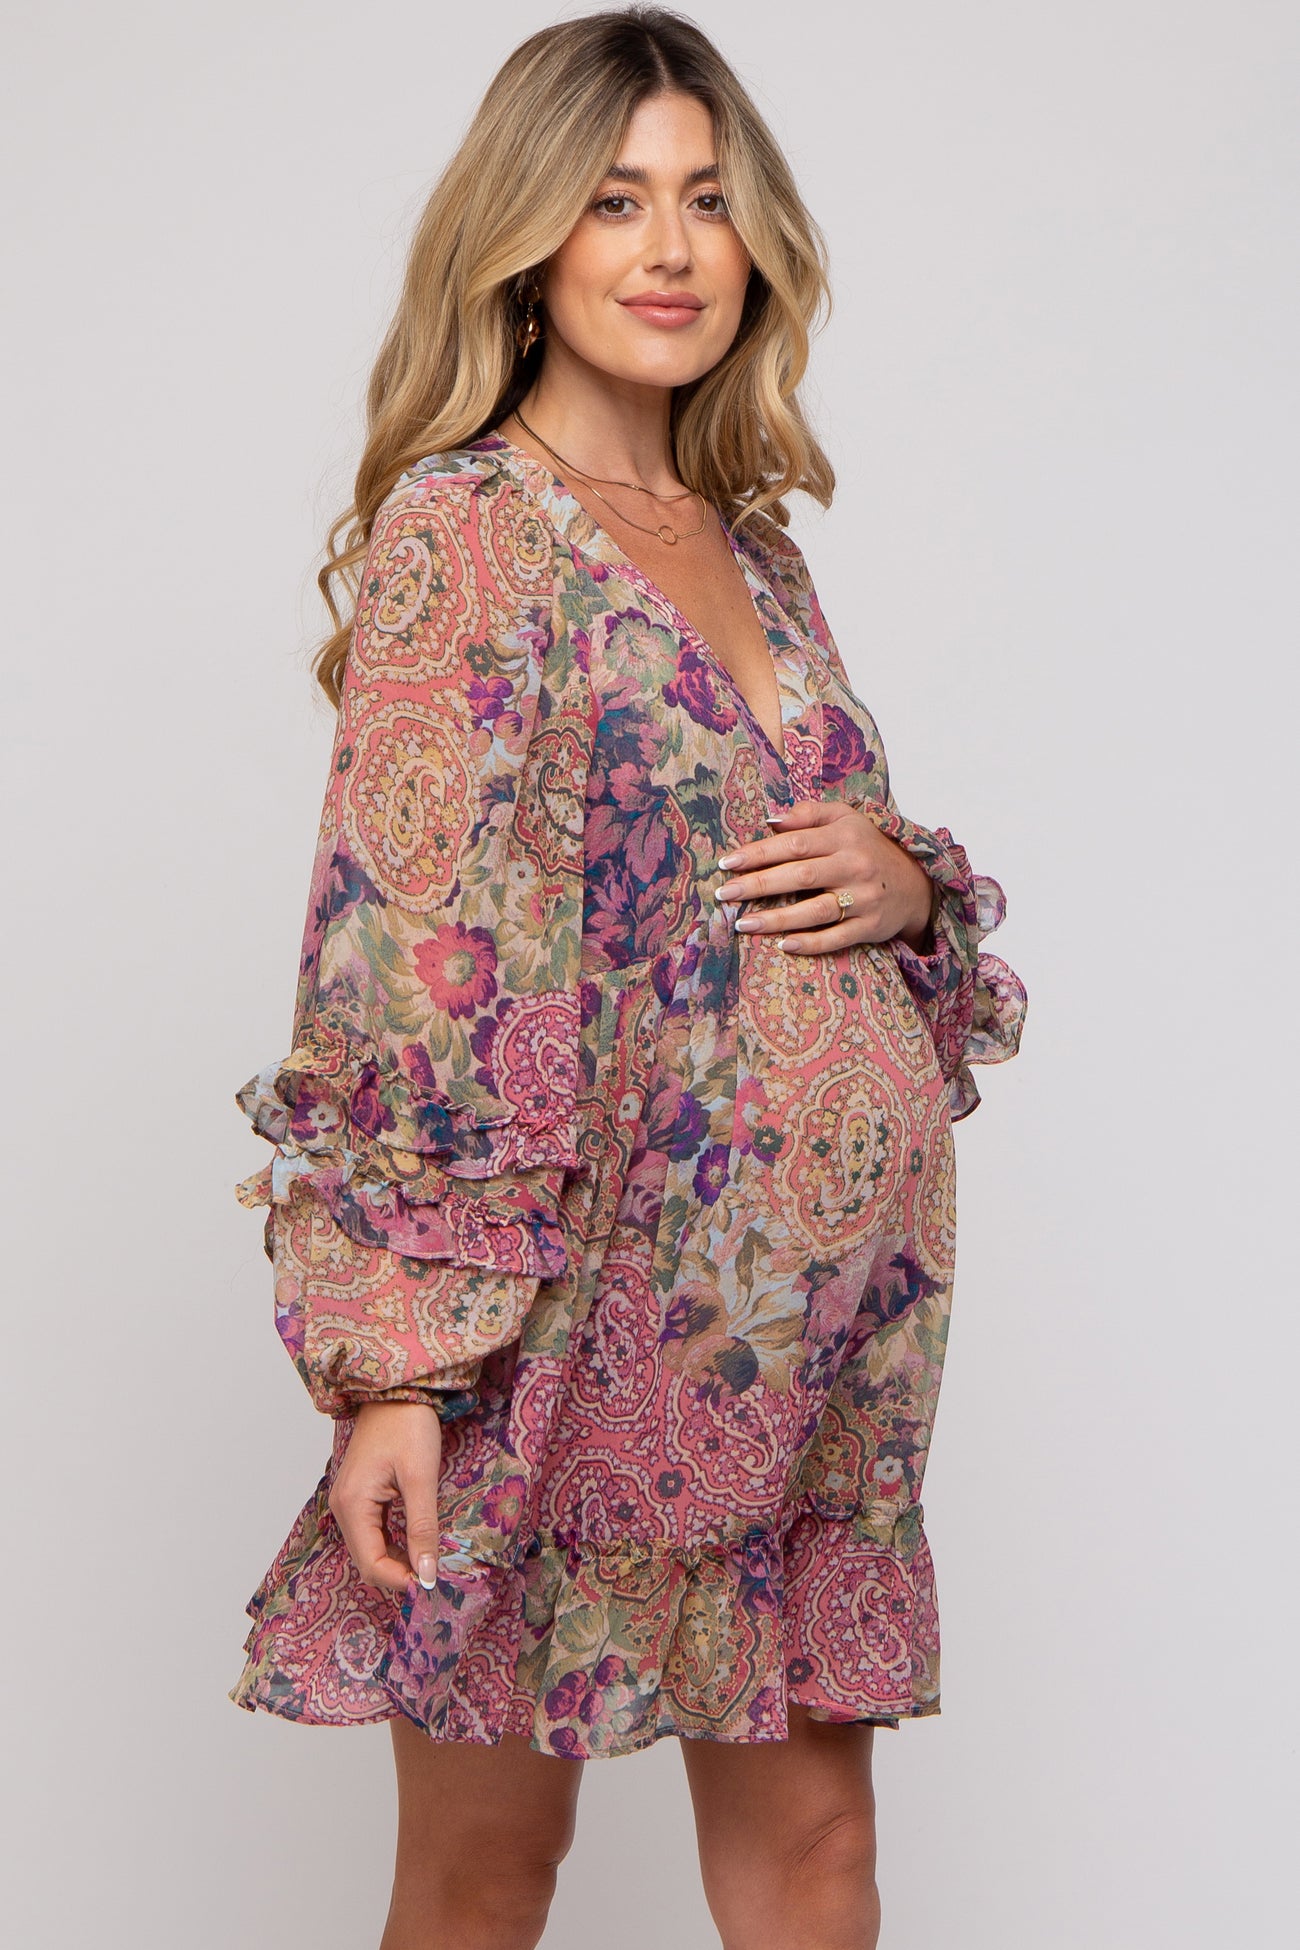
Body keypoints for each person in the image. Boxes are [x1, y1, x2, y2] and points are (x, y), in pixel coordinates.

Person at [229, 9, 1026, 1946]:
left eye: (706, 200)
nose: (669, 248)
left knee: (820, 1854)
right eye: (611, 201)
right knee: (489, 1869)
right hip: (572, 1334)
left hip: (808, 1345)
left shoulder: (756, 552)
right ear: (524, 244)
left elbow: (779, 890)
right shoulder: (466, 533)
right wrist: (397, 1371)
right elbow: (402, 957)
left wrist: (906, 886)